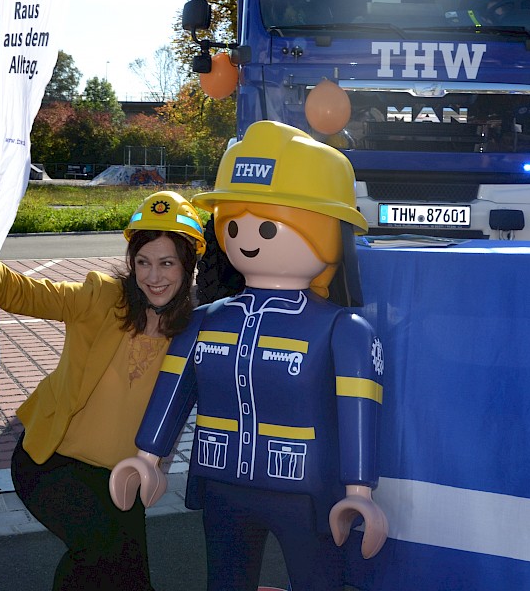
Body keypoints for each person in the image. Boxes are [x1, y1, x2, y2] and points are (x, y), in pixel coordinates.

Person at [110, 121, 386, 591]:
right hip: (222, 485)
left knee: (317, 581)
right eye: (233, 225)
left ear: (325, 230)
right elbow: (174, 389)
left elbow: (359, 412)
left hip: (305, 491)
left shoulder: (343, 329)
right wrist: (145, 457)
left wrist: (360, 492)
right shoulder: (204, 320)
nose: (246, 238)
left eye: (266, 225)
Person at [0, 190, 206, 591]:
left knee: (129, 578)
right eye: (144, 262)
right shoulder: (101, 297)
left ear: (188, 267)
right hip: (52, 464)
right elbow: (26, 292)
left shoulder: (194, 330)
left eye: (167, 263)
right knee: (99, 553)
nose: (153, 276)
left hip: (120, 478)